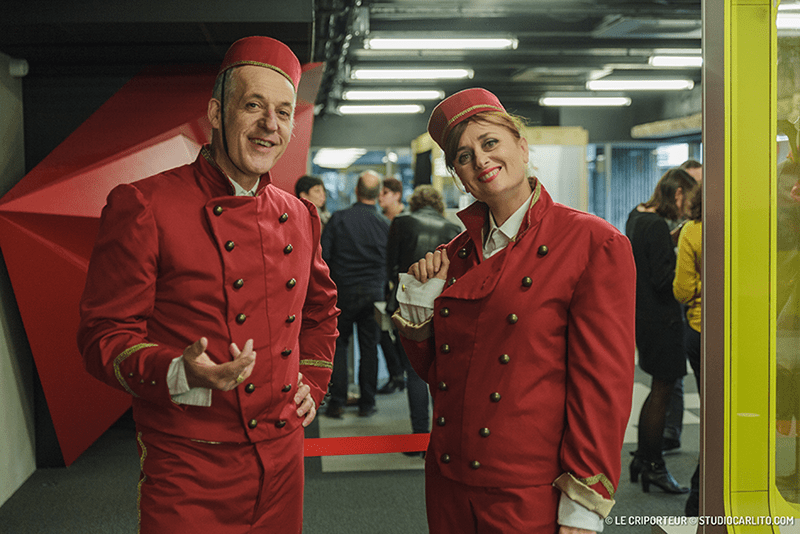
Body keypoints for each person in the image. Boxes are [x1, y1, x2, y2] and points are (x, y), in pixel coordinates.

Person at [77, 36, 340, 534]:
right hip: (190, 467)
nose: (270, 125)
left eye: (284, 112)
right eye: (254, 106)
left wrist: (313, 381)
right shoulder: (144, 205)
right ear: (217, 114)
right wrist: (179, 371)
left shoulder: (300, 215)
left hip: (283, 461)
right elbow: (103, 336)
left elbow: (320, 312)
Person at [392, 88, 636, 533]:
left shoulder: (592, 243)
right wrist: (420, 305)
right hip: (449, 482)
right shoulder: (454, 255)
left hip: (530, 490)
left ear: (521, 147)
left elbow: (602, 387)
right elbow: (439, 374)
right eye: (463, 157)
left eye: (490, 143)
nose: (480, 160)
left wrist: (584, 504)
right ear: (460, 178)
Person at [626, 167, 698, 495]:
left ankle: (643, 458)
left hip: (644, 317)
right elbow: (661, 279)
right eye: (688, 201)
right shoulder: (656, 225)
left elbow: (643, 257)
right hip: (664, 320)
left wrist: (671, 242)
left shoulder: (637, 216)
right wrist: (685, 266)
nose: (687, 210)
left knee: (657, 389)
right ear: (678, 194)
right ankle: (655, 466)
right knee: (662, 393)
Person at [385, 185, 461, 445]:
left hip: (408, 300)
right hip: (441, 303)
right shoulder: (453, 230)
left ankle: (419, 437)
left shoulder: (402, 222)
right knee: (439, 367)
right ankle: (441, 435)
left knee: (413, 369)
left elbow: (391, 264)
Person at [321, 170, 389, 418]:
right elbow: (391, 262)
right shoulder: (386, 224)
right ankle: (367, 403)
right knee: (369, 348)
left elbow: (324, 257)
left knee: (339, 345)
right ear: (379, 194)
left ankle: (337, 402)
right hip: (375, 294)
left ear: (356, 191)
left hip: (342, 293)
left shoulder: (338, 219)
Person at [673, 186, 702, 515]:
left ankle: (699, 497)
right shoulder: (754, 225)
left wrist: (700, 286)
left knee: (712, 414)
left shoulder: (693, 232)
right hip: (749, 331)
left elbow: (682, 291)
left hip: (701, 328)